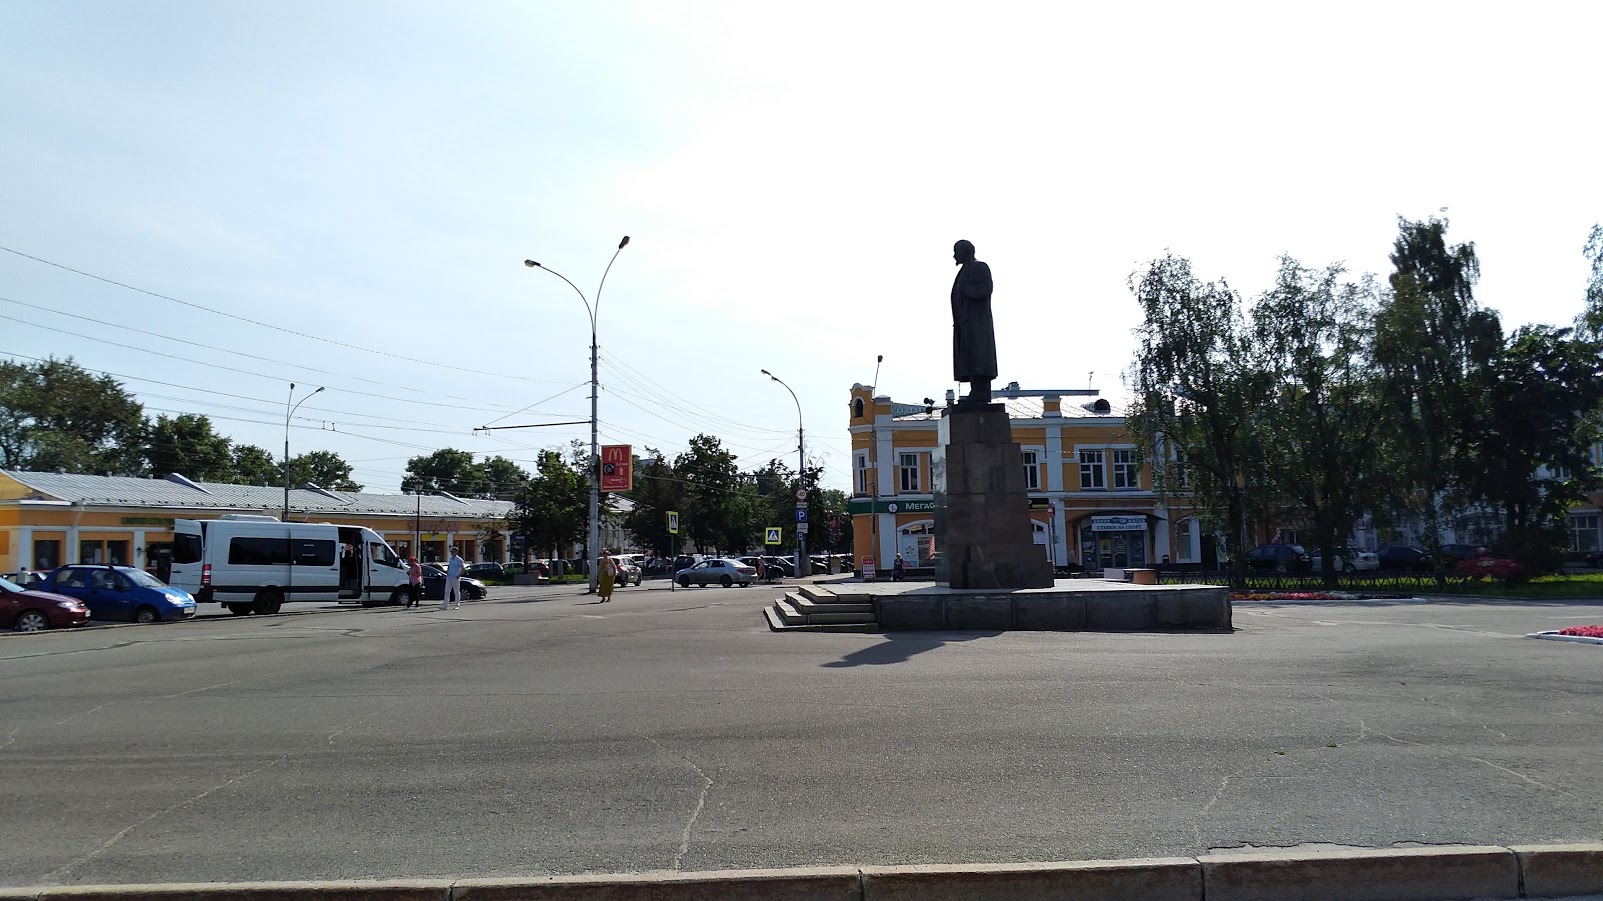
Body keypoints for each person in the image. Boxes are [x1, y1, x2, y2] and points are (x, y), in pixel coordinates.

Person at [950, 239, 997, 404]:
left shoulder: (979, 267)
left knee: (979, 358)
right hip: (965, 324)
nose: (954, 256)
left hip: (977, 324)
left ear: (966, 252)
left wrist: (966, 290)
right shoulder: (964, 271)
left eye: (957, 252)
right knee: (969, 359)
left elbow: (986, 288)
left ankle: (980, 393)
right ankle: (975, 392)